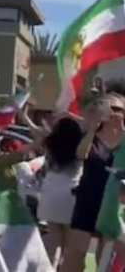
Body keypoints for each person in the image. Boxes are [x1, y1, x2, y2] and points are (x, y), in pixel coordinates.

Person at [61, 92, 125, 272]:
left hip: (112, 204)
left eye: (118, 109)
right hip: (88, 199)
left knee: (105, 258)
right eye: (109, 107)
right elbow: (81, 154)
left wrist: (122, 131)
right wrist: (92, 128)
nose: (113, 113)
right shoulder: (93, 134)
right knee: (75, 253)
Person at [37, 116, 84, 268]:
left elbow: (33, 128)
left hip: (50, 191)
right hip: (70, 194)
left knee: (53, 243)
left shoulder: (50, 143)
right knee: (69, 246)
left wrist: (19, 110)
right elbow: (90, 127)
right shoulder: (81, 147)